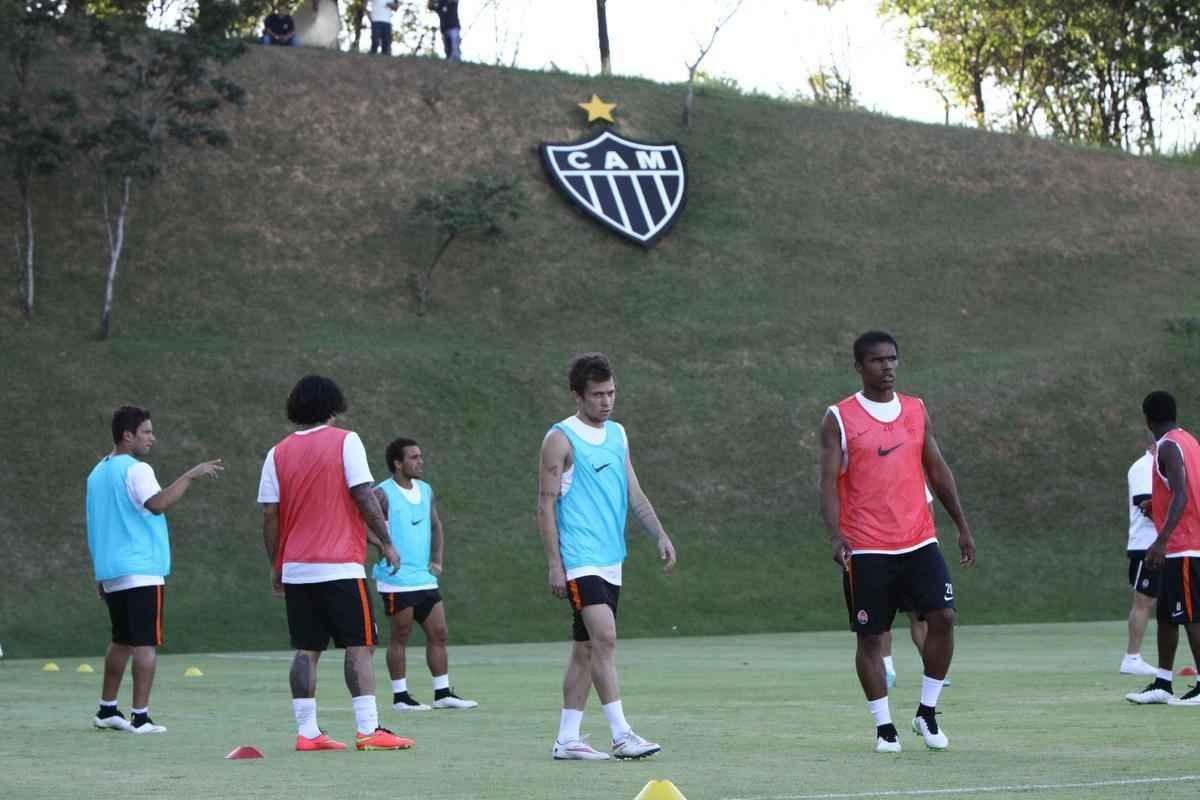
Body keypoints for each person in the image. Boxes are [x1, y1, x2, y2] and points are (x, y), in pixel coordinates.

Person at [818, 330, 976, 753]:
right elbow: (828, 485)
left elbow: (938, 471)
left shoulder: (916, 409)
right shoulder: (839, 417)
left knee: (943, 617)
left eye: (892, 359)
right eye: (876, 361)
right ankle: (883, 726)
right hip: (867, 547)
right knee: (871, 638)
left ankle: (927, 711)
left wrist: (961, 523)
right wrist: (836, 536)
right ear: (859, 367)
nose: (886, 367)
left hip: (919, 540)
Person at [258, 375, 414, 751]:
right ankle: (368, 729)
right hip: (340, 565)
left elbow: (270, 517)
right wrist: (388, 542)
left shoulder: (276, 452)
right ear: (334, 405)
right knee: (359, 645)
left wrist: (277, 564)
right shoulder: (347, 441)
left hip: (297, 568)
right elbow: (362, 494)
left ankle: (307, 733)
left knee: (306, 649)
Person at [537, 352, 677, 761]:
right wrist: (554, 563)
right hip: (579, 557)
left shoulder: (617, 434)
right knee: (605, 637)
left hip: (611, 557)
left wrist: (660, 533)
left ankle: (567, 740)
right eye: (597, 394)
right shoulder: (559, 439)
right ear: (578, 395)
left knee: (584, 648)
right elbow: (544, 506)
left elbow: (634, 491)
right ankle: (621, 735)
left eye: (611, 393)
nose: (606, 401)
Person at [86, 406, 223, 734]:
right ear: (127, 435)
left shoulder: (96, 473)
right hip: (141, 568)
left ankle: (107, 710)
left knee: (121, 640)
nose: (152, 437)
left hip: (113, 571)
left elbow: (97, 525)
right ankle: (141, 717)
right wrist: (190, 475)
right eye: (146, 431)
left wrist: (100, 574)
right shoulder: (137, 469)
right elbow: (157, 503)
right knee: (144, 643)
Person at [372, 437, 478, 711]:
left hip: (424, 578)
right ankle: (400, 697)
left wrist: (437, 560)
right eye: (414, 457)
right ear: (398, 463)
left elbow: (436, 525)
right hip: (396, 578)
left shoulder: (426, 489)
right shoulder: (381, 493)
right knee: (401, 635)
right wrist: (385, 546)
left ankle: (442, 693)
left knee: (439, 633)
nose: (421, 461)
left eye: (421, 456)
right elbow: (362, 526)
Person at [1126, 391, 1200, 706]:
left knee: (1191, 616)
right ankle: (1163, 682)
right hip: (1181, 543)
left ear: (1147, 419)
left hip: (1183, 544)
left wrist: (1160, 539)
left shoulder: (1168, 446)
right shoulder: (1190, 442)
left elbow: (1182, 496)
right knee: (1169, 616)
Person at [1120, 433, 1160, 677]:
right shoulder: (1143, 467)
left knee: (1164, 602)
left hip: (1167, 545)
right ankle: (1132, 658)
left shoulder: (1163, 469)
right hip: (1146, 546)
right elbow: (1147, 505)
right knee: (1144, 601)